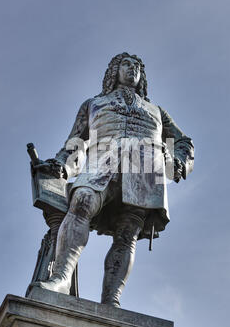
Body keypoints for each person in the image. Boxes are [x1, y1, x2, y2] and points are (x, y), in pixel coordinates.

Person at [33, 52, 194, 308]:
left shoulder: (157, 111)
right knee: (82, 201)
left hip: (145, 167)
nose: (132, 70)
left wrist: (177, 162)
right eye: (126, 65)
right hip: (103, 160)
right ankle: (61, 278)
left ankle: (112, 299)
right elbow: (75, 142)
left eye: (137, 66)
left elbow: (181, 141)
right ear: (114, 71)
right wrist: (61, 164)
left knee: (128, 231)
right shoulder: (93, 104)